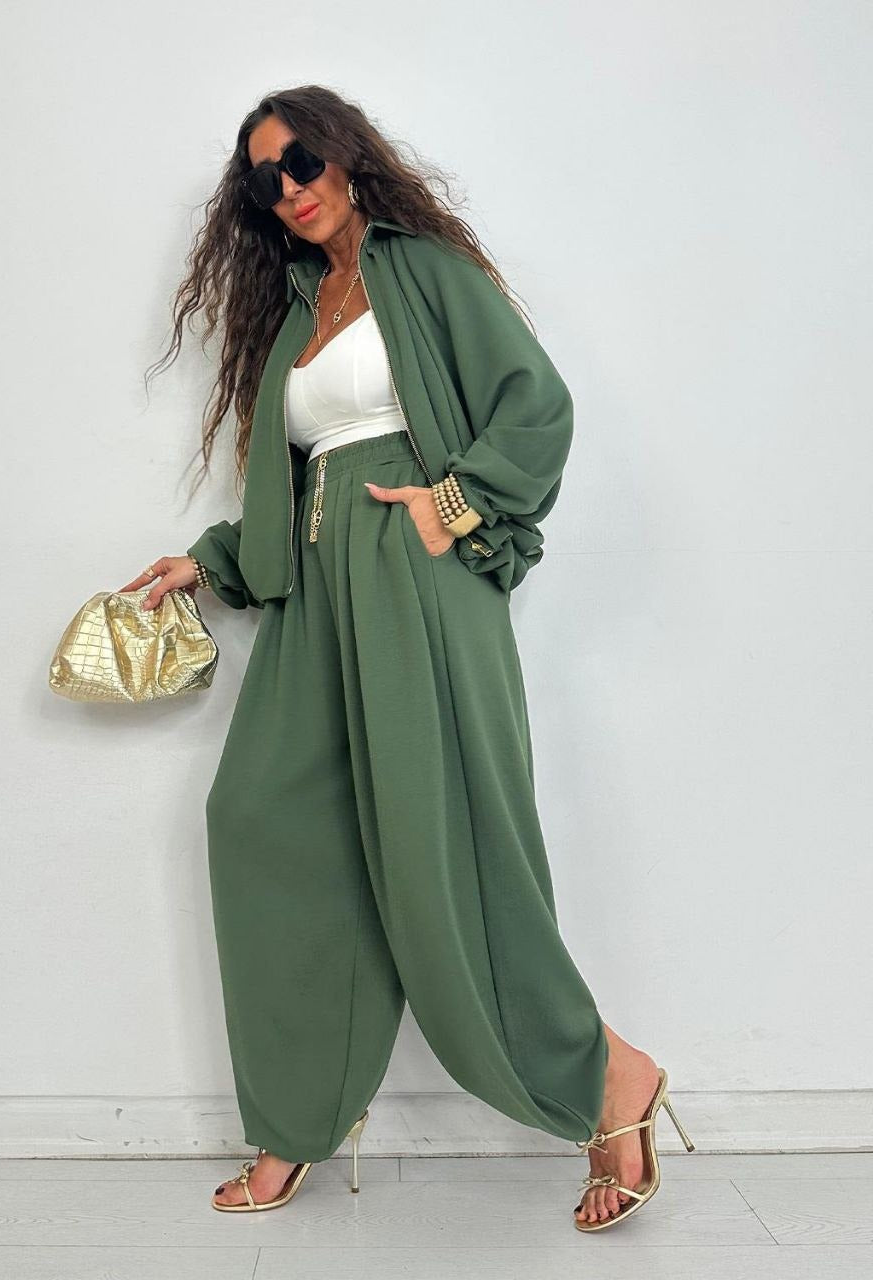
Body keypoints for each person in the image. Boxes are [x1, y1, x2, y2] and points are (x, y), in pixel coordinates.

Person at [119, 84, 694, 1231]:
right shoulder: (296, 311)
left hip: (415, 579)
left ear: (344, 155)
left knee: (445, 851)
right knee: (260, 816)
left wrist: (454, 503)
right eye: (265, 178)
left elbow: (535, 404)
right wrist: (211, 561)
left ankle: (608, 1076)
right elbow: (295, 479)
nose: (288, 188)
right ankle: (297, 1110)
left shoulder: (423, 271)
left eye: (301, 160)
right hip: (313, 592)